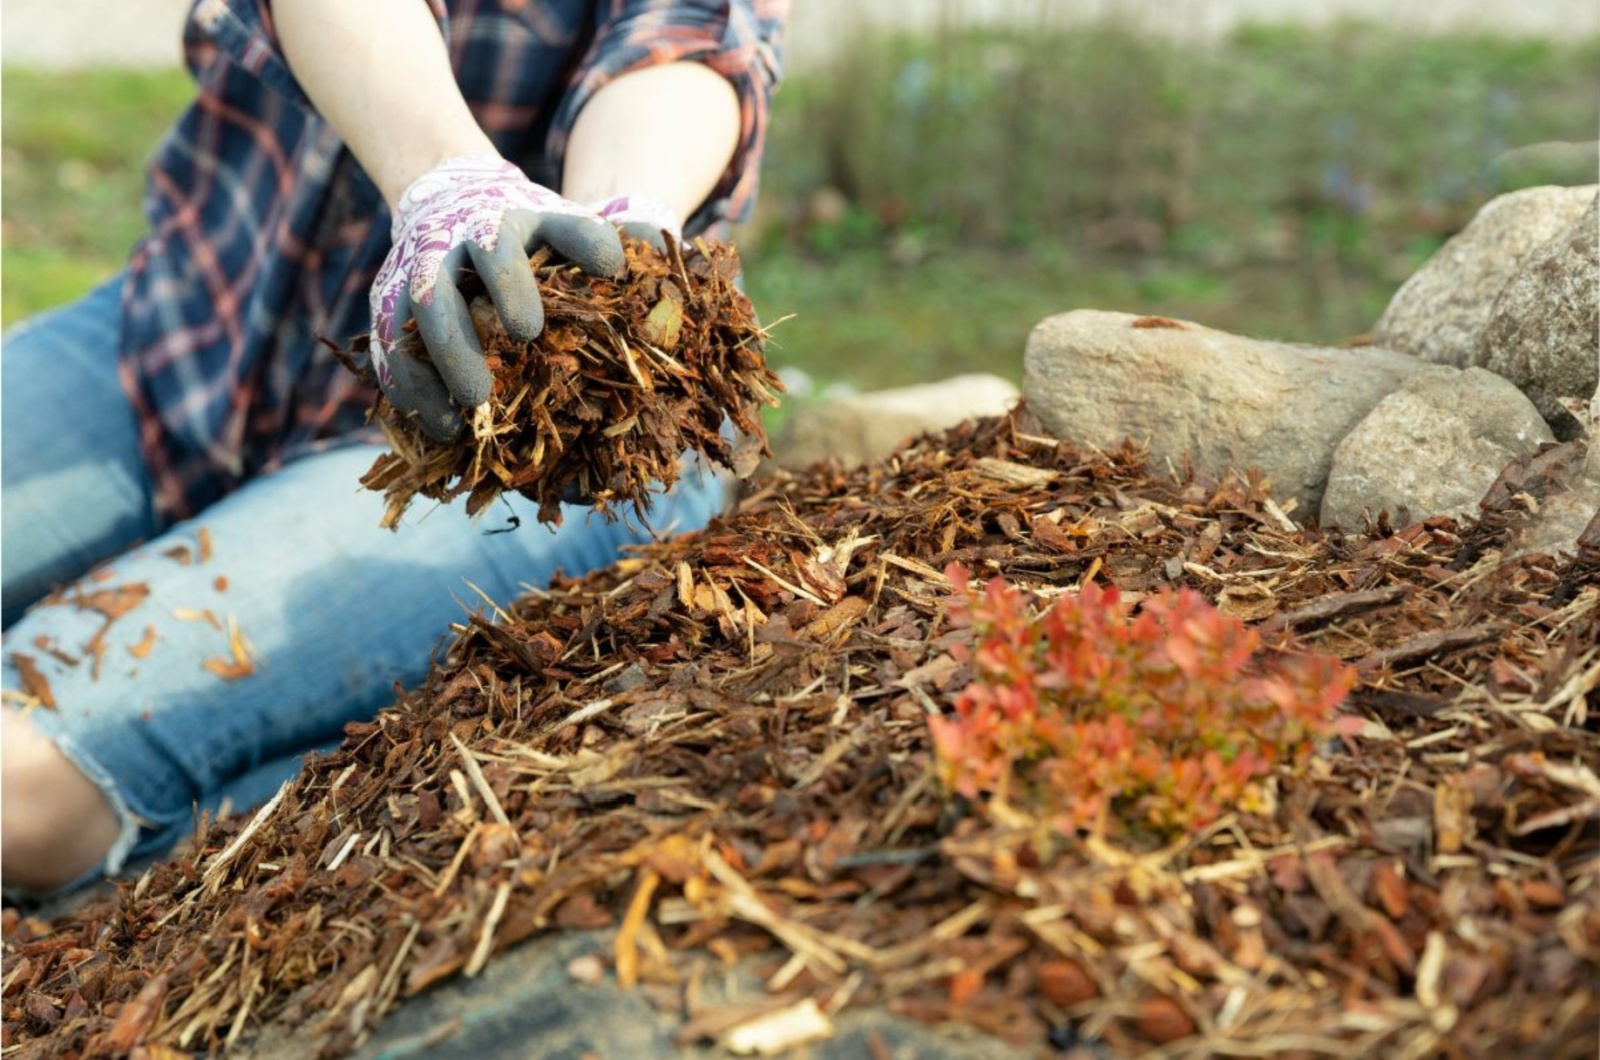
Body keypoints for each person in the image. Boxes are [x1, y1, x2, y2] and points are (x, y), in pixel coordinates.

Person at [1, 0, 787, 896]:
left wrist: (620, 220)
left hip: (501, 449)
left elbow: (688, 40)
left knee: (22, 791)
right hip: (192, 328)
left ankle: (292, 795)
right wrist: (447, 183)